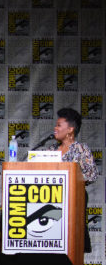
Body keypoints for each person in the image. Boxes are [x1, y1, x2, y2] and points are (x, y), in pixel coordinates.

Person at [50, 108, 98, 252]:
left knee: (73, 241)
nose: (55, 128)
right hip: (52, 199)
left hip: (74, 199)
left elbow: (92, 174)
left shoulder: (81, 149)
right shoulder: (51, 150)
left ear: (70, 129)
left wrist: (70, 177)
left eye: (59, 125)